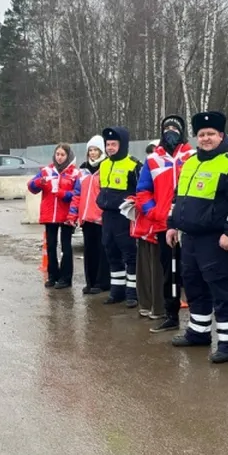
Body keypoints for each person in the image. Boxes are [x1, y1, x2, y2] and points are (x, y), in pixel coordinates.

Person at [166, 111, 228, 364]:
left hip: (216, 239)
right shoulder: (189, 161)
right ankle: (198, 333)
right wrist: (171, 225)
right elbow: (178, 198)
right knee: (195, 287)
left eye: (211, 134)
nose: (206, 138)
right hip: (189, 237)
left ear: (221, 135)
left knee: (223, 289)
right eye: (202, 134)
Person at [136, 115, 195, 333]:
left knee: (190, 272)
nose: (171, 132)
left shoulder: (193, 156)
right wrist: (153, 212)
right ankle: (171, 315)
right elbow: (143, 191)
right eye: (167, 128)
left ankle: (198, 320)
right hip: (163, 226)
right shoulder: (153, 159)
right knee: (168, 272)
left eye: (175, 128)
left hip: (188, 226)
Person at [97, 126, 142, 307]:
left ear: (122, 145)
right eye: (108, 144)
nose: (110, 148)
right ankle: (117, 292)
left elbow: (141, 191)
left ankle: (132, 293)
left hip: (125, 216)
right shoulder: (104, 164)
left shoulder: (133, 165)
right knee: (111, 252)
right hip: (107, 216)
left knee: (129, 254)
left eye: (113, 144)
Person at [28, 143, 79, 289]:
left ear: (68, 156)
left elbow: (77, 194)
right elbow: (31, 187)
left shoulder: (74, 173)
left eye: (63, 155)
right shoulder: (46, 171)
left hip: (66, 215)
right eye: (58, 154)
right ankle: (52, 275)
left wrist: (63, 194)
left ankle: (66, 278)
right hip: (50, 215)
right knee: (51, 246)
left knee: (66, 247)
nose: (60, 157)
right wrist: (39, 182)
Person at [68, 136, 110, 295]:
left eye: (95, 150)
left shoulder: (106, 167)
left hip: (100, 217)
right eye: (90, 150)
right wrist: (73, 214)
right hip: (86, 218)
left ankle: (101, 282)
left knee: (102, 251)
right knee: (89, 251)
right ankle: (90, 281)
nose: (92, 153)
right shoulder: (83, 170)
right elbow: (77, 194)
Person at [133, 141, 165, 319]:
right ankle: (145, 303)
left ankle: (159, 306)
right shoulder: (146, 169)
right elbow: (141, 191)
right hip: (145, 225)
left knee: (158, 269)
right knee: (144, 269)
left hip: (159, 225)